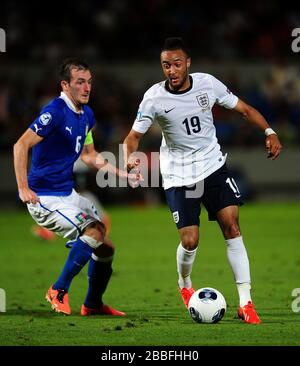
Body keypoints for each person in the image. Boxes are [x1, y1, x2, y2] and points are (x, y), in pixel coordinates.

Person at [123, 37, 282, 324]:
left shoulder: (208, 84)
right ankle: (185, 284)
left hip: (212, 166)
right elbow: (132, 137)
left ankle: (246, 303)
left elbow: (244, 110)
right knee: (190, 240)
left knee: (232, 227)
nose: (171, 70)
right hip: (178, 175)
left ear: (188, 64)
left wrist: (269, 131)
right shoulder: (154, 98)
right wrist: (129, 157)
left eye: (176, 64)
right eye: (165, 65)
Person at [13, 58, 138, 316]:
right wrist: (22, 187)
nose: (86, 87)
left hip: (67, 194)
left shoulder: (86, 115)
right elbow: (20, 145)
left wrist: (119, 173)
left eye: (89, 82)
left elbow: (89, 155)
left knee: (106, 247)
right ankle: (58, 289)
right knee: (93, 231)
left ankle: (92, 304)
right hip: (44, 198)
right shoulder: (55, 111)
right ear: (65, 85)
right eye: (80, 82)